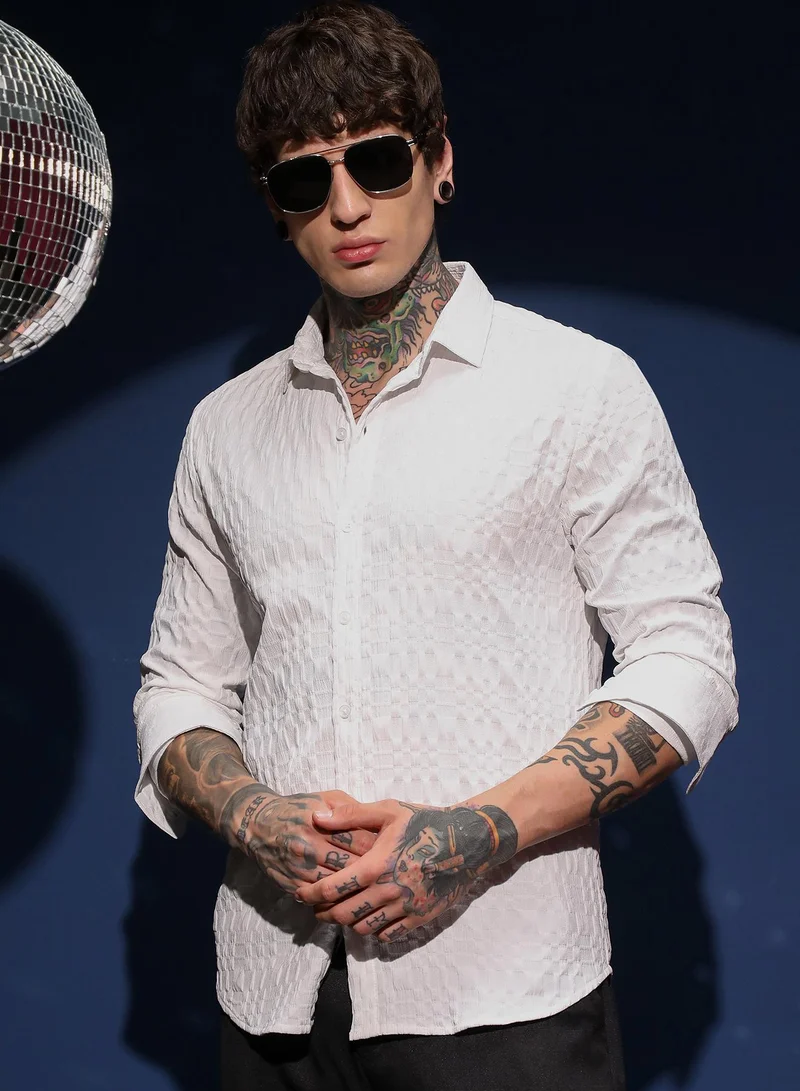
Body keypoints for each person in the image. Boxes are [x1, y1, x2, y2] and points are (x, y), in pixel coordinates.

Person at [132, 3, 738, 1089]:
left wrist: (474, 834)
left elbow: (685, 659)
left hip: (501, 992)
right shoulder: (225, 427)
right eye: (304, 179)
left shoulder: (576, 386)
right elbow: (179, 683)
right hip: (273, 995)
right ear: (275, 207)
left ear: (439, 160)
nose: (347, 206)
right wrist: (253, 814)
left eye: (376, 159)